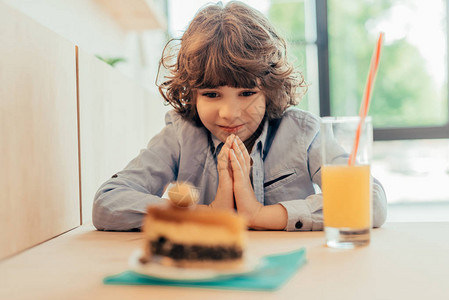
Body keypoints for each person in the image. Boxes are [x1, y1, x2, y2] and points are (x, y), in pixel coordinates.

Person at [92, 1, 387, 231]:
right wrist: (207, 214)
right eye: (211, 94)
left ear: (269, 90)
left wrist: (260, 215)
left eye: (246, 94)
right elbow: (108, 202)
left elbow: (370, 200)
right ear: (192, 93)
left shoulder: (303, 133)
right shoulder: (181, 135)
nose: (229, 113)